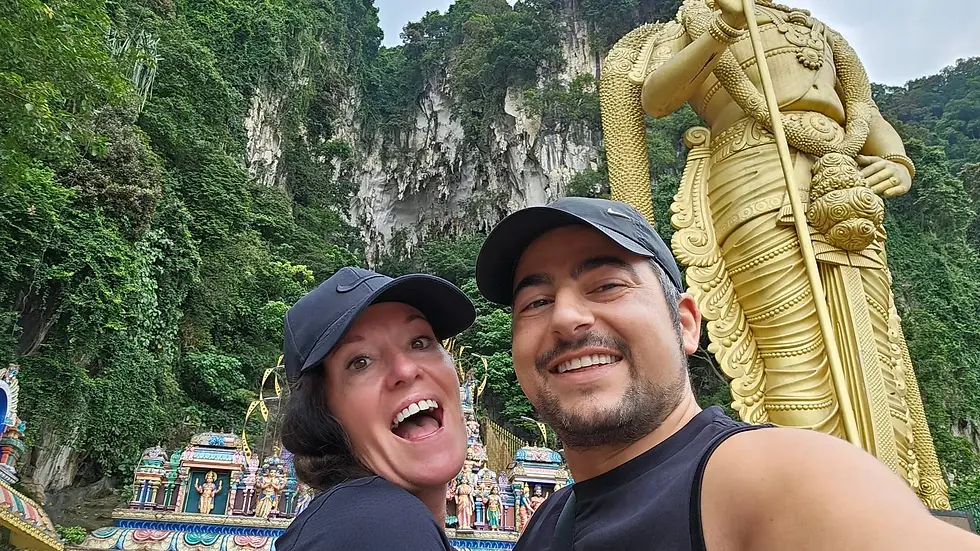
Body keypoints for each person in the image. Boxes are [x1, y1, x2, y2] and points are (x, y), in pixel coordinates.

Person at [474, 196, 980, 550]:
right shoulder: (547, 521)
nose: (566, 318)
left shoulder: (767, 477)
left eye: (606, 286)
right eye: (536, 302)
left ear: (686, 324)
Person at [274, 266, 475, 550]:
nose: (405, 369)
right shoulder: (382, 526)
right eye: (360, 362)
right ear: (322, 414)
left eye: (420, 342)